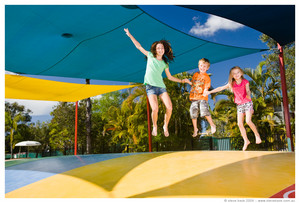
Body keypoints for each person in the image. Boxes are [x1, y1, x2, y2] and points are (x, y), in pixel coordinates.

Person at [124, 28, 191, 137]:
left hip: (161, 88)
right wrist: (130, 34)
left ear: (164, 50)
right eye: (158, 48)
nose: (160, 49)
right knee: (155, 108)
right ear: (155, 49)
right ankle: (155, 126)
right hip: (150, 87)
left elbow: (169, 77)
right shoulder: (150, 55)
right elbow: (138, 46)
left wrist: (182, 80)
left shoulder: (165, 63)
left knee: (170, 107)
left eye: (162, 48)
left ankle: (165, 125)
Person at [204, 66, 262, 151]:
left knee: (248, 121)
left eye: (238, 72)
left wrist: (249, 95)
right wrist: (210, 91)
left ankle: (257, 135)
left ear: (241, 73)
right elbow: (220, 88)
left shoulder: (245, 81)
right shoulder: (232, 83)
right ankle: (246, 140)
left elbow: (248, 90)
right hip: (239, 105)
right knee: (239, 124)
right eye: (234, 73)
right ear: (232, 75)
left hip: (247, 103)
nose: (236, 74)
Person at [189, 58, 216, 137]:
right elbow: (194, 84)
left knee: (204, 111)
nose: (202, 67)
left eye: (204, 66)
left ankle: (212, 125)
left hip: (202, 97)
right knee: (193, 113)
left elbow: (207, 86)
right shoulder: (195, 75)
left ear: (207, 68)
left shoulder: (207, 77)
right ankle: (195, 129)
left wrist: (205, 91)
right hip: (194, 98)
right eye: (201, 66)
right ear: (198, 66)